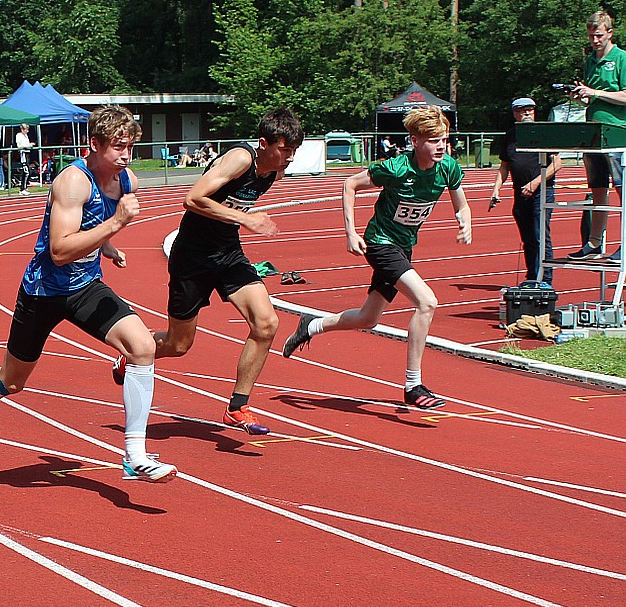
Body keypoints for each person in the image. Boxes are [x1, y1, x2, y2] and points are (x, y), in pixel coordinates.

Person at [0, 106, 177, 483]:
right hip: (43, 292)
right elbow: (60, 250)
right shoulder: (72, 182)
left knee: (142, 346)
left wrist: (107, 246)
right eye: (117, 147)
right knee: (13, 381)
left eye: (131, 146)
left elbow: (93, 225)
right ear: (94, 144)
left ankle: (134, 453)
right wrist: (116, 224)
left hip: (84, 287)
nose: (126, 155)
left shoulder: (127, 180)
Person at [110, 108, 303, 436]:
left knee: (267, 323)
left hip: (228, 253)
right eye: (284, 150)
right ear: (263, 143)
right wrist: (245, 218)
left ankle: (237, 406)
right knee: (179, 344)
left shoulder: (275, 173)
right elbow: (193, 198)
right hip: (193, 257)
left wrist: (238, 220)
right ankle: (131, 355)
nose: (290, 157)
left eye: (294, 151)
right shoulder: (241, 159)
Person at [282, 105, 471, 410]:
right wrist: (350, 232)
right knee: (427, 302)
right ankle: (413, 385)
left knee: (369, 318)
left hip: (404, 246)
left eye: (444, 140)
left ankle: (311, 325)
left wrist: (466, 221)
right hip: (381, 243)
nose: (441, 146)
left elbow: (461, 203)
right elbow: (349, 185)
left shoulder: (448, 168)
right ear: (414, 140)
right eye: (434, 140)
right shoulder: (396, 168)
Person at [569, 10, 626, 261]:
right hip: (593, 133)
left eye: (599, 35)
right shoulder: (590, 60)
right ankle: (594, 242)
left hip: (618, 134)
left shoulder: (622, 59)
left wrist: (595, 93)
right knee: (598, 189)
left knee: (622, 191)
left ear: (610, 33)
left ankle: (624, 244)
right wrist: (580, 96)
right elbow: (590, 100)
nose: (595, 40)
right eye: (591, 36)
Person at [490, 97, 562, 286]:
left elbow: (557, 163)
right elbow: (504, 166)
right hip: (520, 192)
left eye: (530, 110)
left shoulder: (543, 133)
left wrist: (535, 183)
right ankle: (532, 277)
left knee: (540, 235)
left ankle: (545, 279)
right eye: (522, 110)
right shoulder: (510, 135)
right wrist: (496, 190)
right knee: (528, 237)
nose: (527, 113)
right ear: (515, 113)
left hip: (542, 191)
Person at [15, 123, 36, 196]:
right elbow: (19, 146)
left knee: (28, 171)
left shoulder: (26, 136)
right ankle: (22, 188)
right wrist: (28, 145)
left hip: (27, 154)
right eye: (26, 129)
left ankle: (25, 187)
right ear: (22, 129)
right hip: (23, 154)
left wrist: (30, 145)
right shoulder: (19, 135)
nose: (27, 131)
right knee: (26, 171)